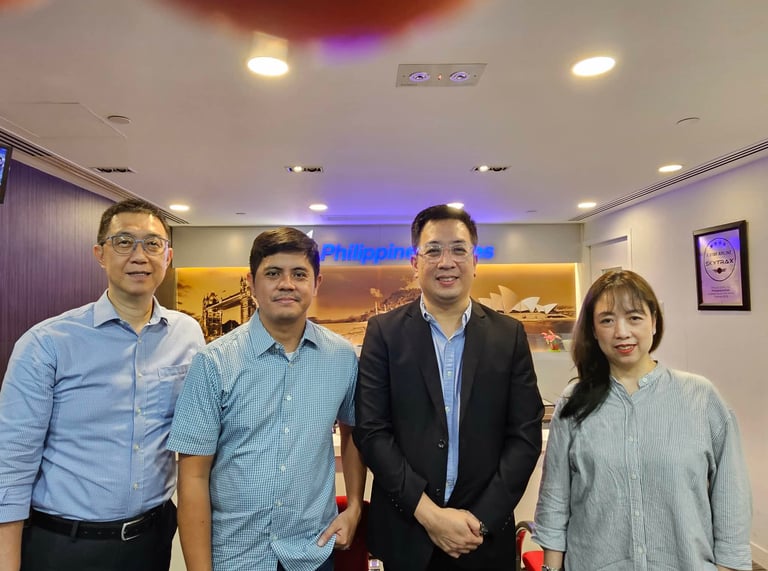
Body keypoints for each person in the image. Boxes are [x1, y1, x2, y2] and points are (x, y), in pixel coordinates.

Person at [0, 198, 205, 571]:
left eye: (152, 243)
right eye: (124, 242)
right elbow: (11, 461)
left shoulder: (187, 334)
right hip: (63, 546)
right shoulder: (47, 343)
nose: (139, 256)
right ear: (100, 254)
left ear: (168, 256)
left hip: (152, 541)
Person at [354, 204, 544, 571]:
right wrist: (429, 515)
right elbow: (372, 432)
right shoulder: (384, 333)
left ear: (475, 261)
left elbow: (524, 437)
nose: (447, 262)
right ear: (415, 263)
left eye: (458, 249)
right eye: (433, 250)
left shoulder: (508, 336)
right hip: (407, 534)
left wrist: (479, 521)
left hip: (482, 539)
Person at [167, 227, 366, 571]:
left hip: (312, 552)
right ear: (251, 283)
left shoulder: (341, 357)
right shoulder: (214, 362)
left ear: (317, 283)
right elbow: (193, 477)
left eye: (299, 274)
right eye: (273, 273)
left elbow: (353, 433)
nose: (286, 284)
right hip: (236, 556)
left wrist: (355, 508)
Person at [533, 270, 753, 571]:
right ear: (593, 330)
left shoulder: (700, 398)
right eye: (607, 320)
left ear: (654, 321)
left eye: (634, 317)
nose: (621, 332)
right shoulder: (574, 402)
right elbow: (554, 502)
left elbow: (731, 501)